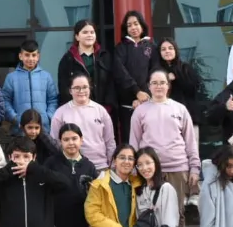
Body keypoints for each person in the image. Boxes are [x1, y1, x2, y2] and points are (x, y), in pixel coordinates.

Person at [129, 70, 201, 226]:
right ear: (149, 86)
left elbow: (191, 142)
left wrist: (194, 168)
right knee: (152, 215)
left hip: (178, 168)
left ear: (168, 86)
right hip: (150, 171)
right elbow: (134, 142)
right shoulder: (140, 111)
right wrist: (134, 169)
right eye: (154, 83)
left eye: (162, 82)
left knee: (178, 214)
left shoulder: (180, 109)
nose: (158, 86)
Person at [50, 74, 116, 172]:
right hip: (72, 168)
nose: (81, 91)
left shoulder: (100, 111)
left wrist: (112, 166)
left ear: (90, 88)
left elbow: (110, 141)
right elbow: (55, 142)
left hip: (100, 166)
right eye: (77, 88)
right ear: (70, 90)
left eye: (85, 87)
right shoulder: (60, 113)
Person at [57, 20, 119, 109]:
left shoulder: (104, 56)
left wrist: (107, 108)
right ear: (77, 36)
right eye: (85, 32)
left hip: (102, 109)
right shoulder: (68, 59)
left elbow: (111, 85)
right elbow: (64, 88)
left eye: (92, 32)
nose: (89, 35)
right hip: (76, 109)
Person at [114, 11, 156, 143]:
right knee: (130, 142)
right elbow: (120, 73)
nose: (133, 27)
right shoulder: (120, 48)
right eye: (129, 25)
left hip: (149, 102)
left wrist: (144, 96)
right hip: (127, 104)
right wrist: (136, 91)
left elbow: (154, 72)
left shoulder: (152, 47)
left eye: (136, 24)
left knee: (149, 141)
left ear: (142, 25)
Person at [3, 39, 59, 135]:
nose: (30, 58)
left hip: (43, 130)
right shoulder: (11, 77)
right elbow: (5, 101)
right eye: (27, 55)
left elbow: (53, 100)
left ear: (38, 56)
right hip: (20, 131)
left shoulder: (46, 76)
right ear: (20, 56)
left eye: (33, 55)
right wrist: (15, 118)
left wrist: (47, 118)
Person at [149, 38, 204, 130]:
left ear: (175, 50)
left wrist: (177, 77)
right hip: (164, 117)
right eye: (163, 49)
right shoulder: (156, 71)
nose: (167, 51)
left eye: (170, 48)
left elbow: (194, 89)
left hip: (189, 116)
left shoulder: (185, 68)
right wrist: (166, 79)